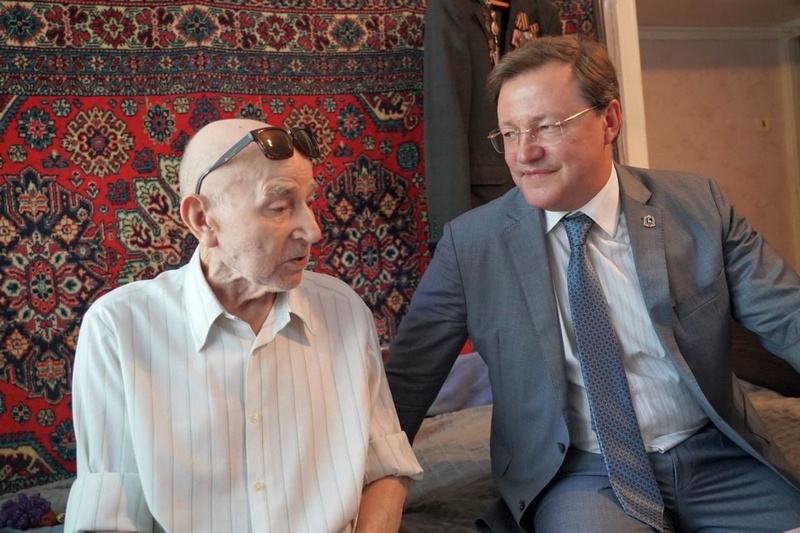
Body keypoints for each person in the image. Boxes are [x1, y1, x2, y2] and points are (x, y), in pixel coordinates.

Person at [385, 35, 800, 532]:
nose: (525, 153)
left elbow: (788, 317)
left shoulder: (696, 206)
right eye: (510, 134)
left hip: (715, 456)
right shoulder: (471, 244)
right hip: (581, 472)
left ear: (609, 120)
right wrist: (357, 494)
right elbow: (408, 382)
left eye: (547, 127)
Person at [65, 118, 422, 533]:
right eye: (280, 207)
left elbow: (385, 467)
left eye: (308, 201)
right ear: (202, 219)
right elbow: (110, 516)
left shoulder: (344, 311)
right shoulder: (118, 328)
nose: (313, 230)